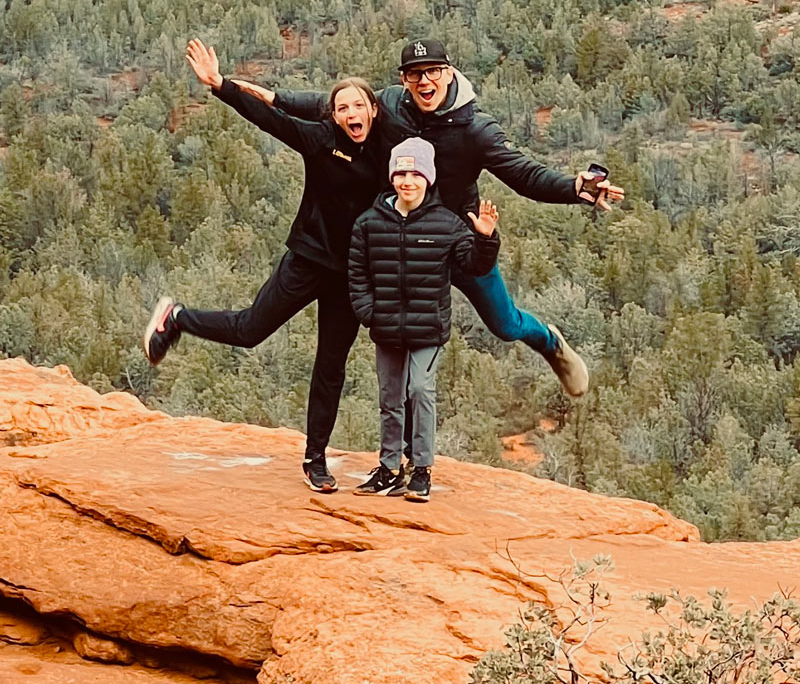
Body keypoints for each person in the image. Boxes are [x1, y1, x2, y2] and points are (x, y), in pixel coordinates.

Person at [235, 38, 625, 399]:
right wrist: (276, 98)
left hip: (459, 239)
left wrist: (574, 188)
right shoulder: (388, 105)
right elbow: (333, 104)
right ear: (404, 81)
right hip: (403, 240)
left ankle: (548, 341)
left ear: (449, 73)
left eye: (433, 71)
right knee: (399, 342)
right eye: (415, 74)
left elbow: (524, 174)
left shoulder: (477, 130)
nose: (425, 81)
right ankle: (402, 458)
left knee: (504, 325)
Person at [143, 39, 409, 493]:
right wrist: (220, 86)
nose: (351, 114)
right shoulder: (319, 138)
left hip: (352, 274)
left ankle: (315, 459)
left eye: (359, 105)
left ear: (373, 111)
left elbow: (434, 165)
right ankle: (178, 318)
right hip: (308, 258)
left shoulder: (392, 147)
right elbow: (270, 120)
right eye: (342, 107)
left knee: (331, 365)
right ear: (334, 115)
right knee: (250, 331)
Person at [348, 138, 499, 502]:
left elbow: (474, 266)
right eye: (400, 172)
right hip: (386, 326)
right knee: (390, 399)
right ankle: (388, 468)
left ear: (428, 178)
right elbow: (357, 273)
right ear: (391, 177)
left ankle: (421, 470)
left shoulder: (446, 224)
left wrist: (485, 238)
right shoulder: (369, 223)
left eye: (415, 173)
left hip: (427, 328)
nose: (407, 180)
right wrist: (369, 312)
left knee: (419, 391)